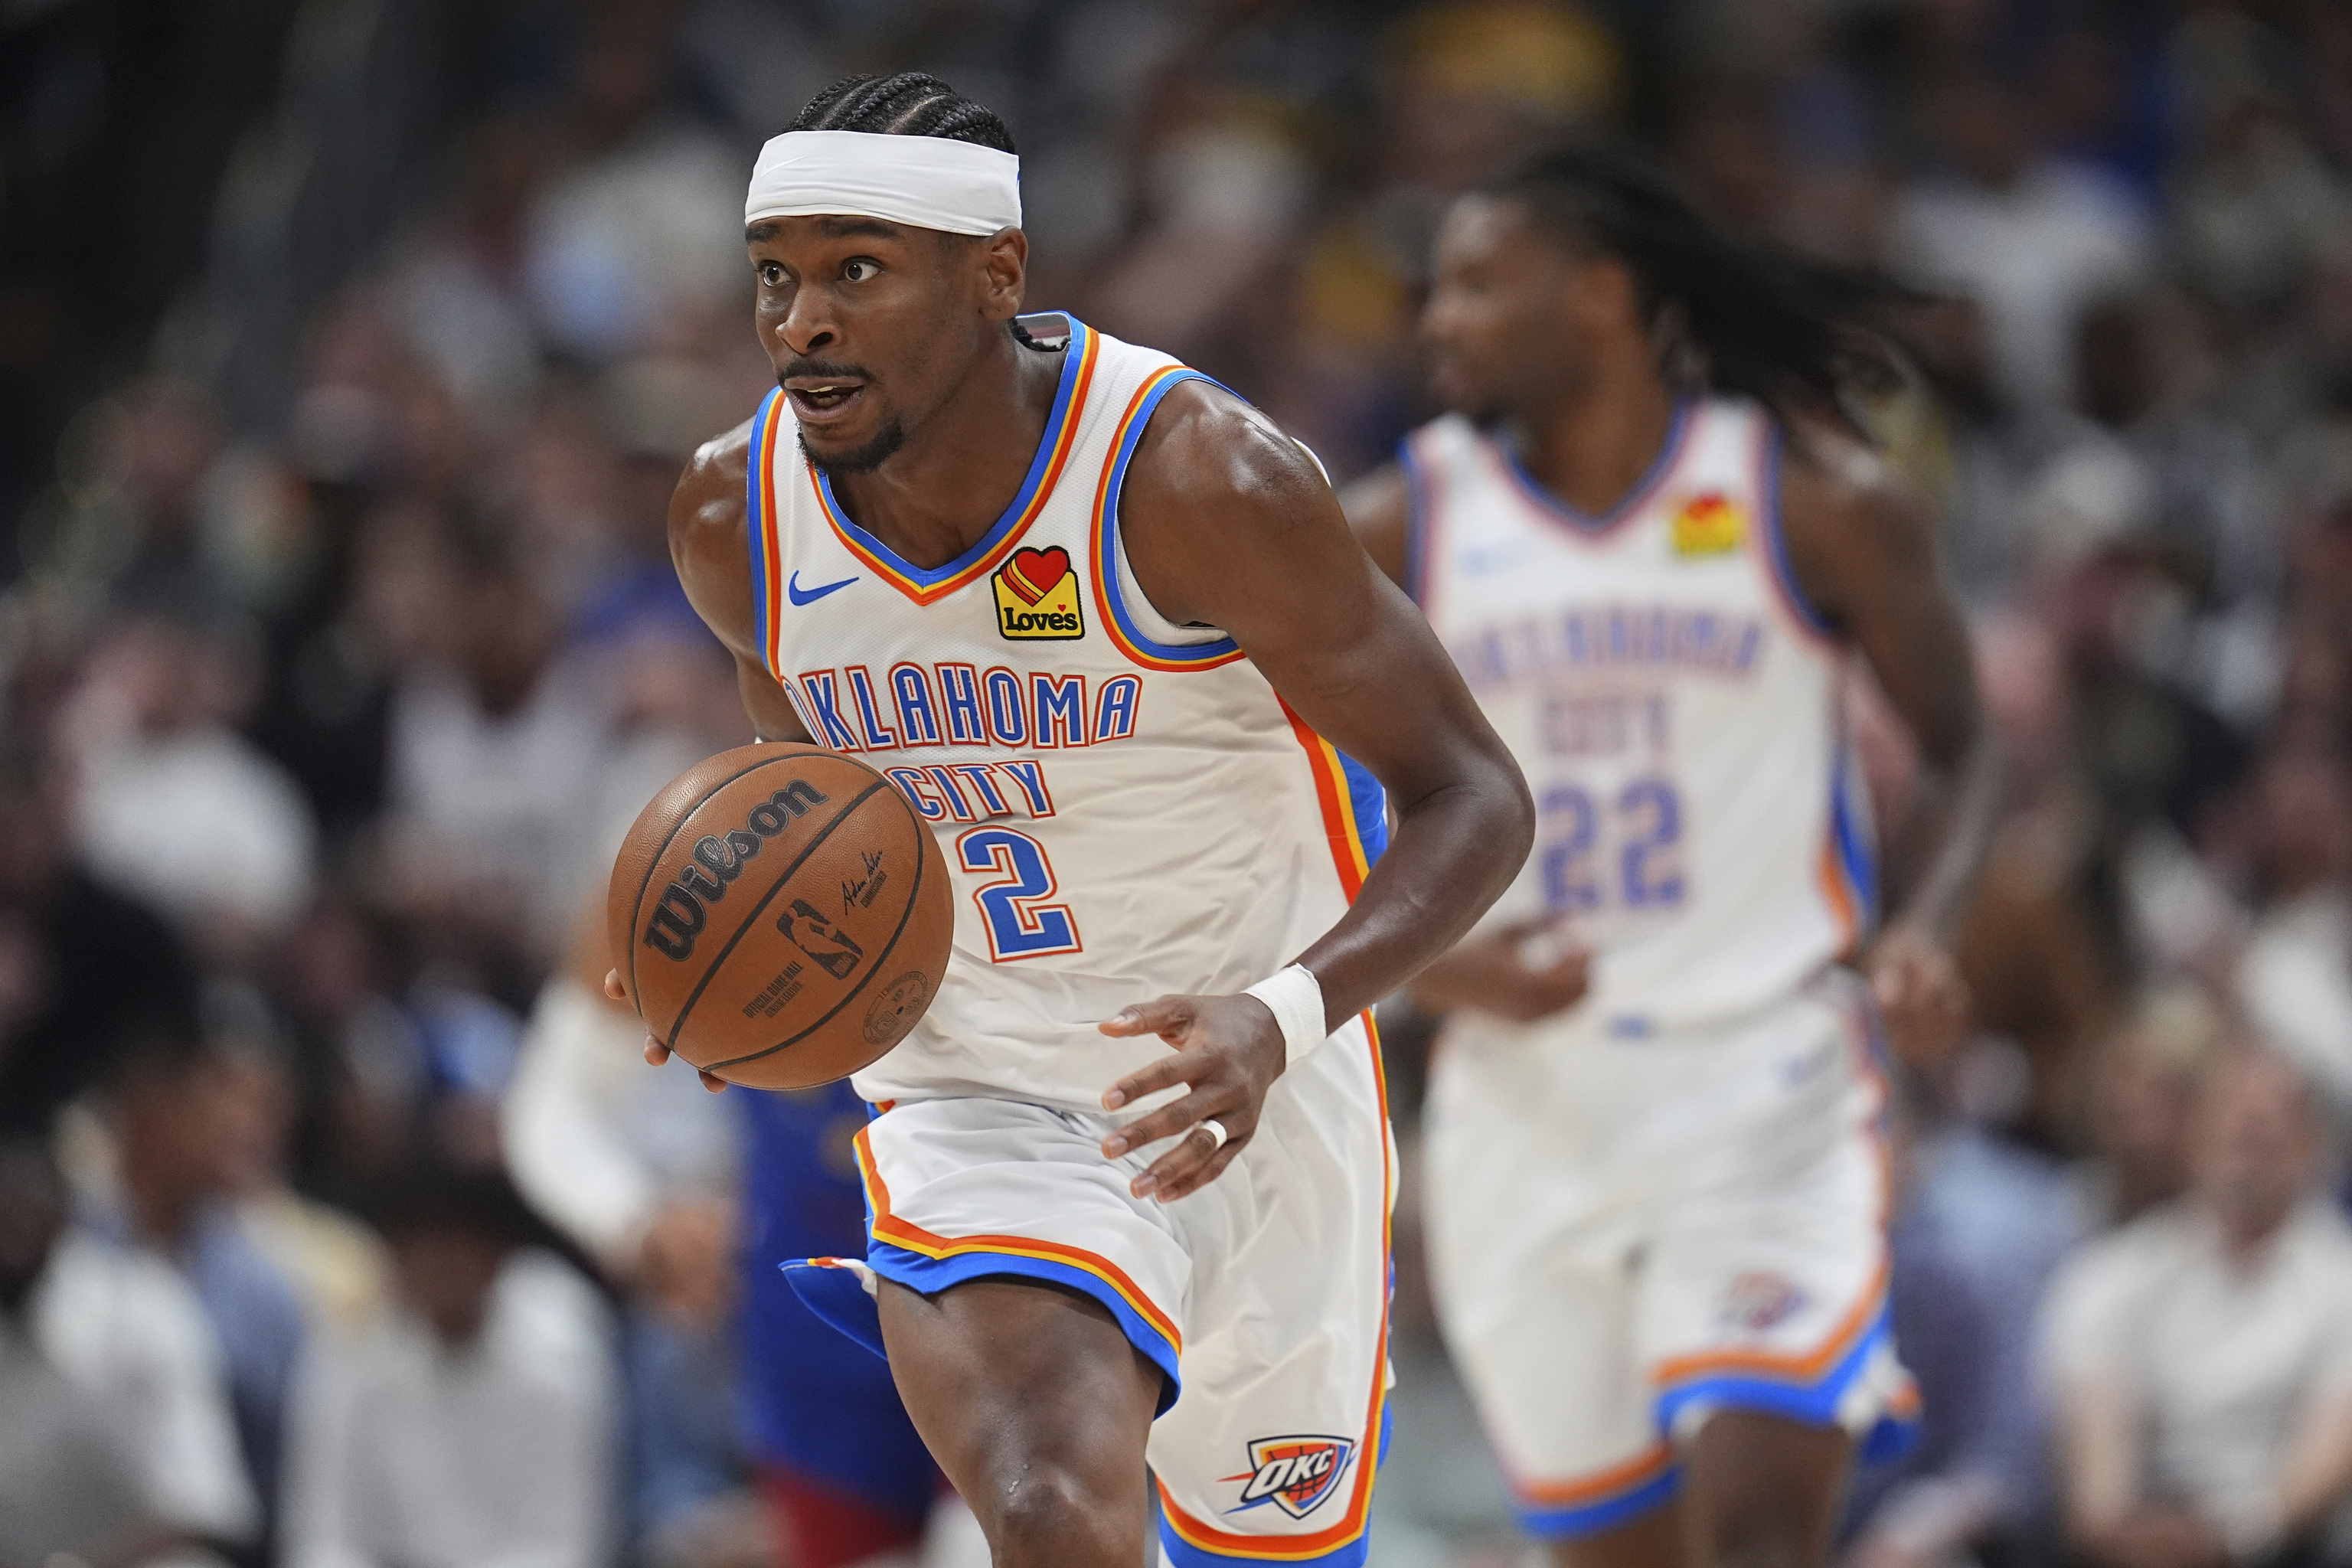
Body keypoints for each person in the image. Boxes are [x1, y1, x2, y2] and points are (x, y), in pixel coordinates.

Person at [616, 70, 1532, 1568]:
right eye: (776, 278)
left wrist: (1280, 1015)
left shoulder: (1193, 477)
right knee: (1048, 1510)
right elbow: (819, 824)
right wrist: (740, 968)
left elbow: (1474, 793)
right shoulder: (737, 519)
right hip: (979, 1095)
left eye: (858, 272)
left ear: (997, 276)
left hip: (1257, 1087)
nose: (802, 323)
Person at [1343, 143, 2002, 1568]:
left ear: (1594, 294)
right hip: (1522, 1109)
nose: (1437, 318)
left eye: (1473, 281)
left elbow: (1961, 747)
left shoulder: (1813, 494)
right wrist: (1443, 972)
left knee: (1758, 1529)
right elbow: (1263, 795)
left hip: (1759, 1075)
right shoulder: (1404, 522)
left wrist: (1921, 924)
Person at [2042, 1045, 2352, 1568]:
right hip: (2141, 1535)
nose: (2249, 1140)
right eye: (2232, 1122)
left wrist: (2231, 1539)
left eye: (2270, 1128)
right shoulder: (2113, 1275)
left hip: (2292, 1546)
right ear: (2192, 1137)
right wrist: (2122, 1534)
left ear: (2310, 1145)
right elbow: (2096, 1475)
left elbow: (2330, 1456)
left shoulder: (2340, 1280)